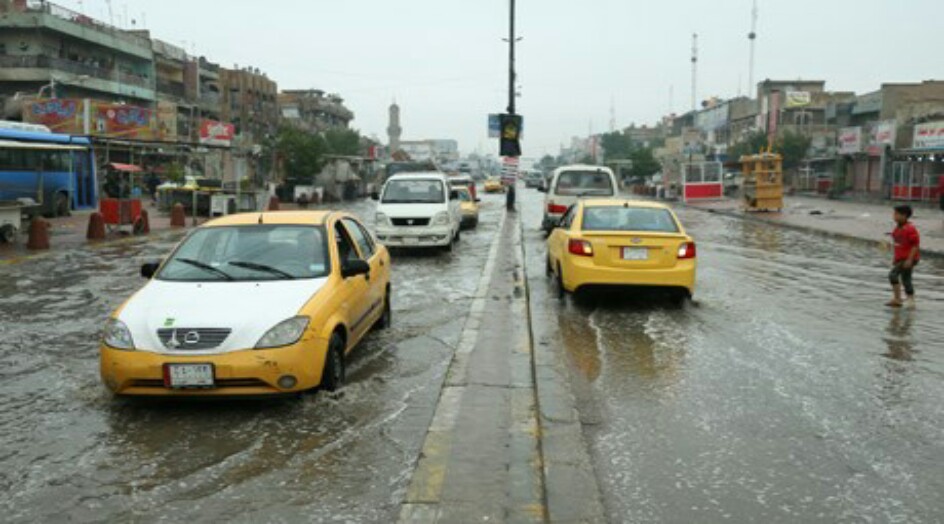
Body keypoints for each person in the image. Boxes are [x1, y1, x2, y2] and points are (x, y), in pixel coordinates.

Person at [887, 204, 920, 308]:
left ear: (904, 215)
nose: (894, 216)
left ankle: (898, 299)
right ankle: (911, 300)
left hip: (908, 258)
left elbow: (915, 245)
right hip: (901, 258)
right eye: (894, 213)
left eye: (896, 214)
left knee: (893, 275)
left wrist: (910, 260)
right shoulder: (897, 229)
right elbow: (898, 244)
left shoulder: (910, 229)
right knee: (906, 279)